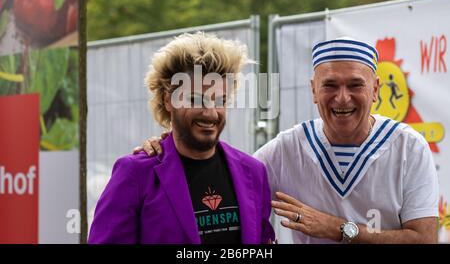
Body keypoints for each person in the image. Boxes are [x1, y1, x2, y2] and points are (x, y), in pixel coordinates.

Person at [138, 37, 439, 244]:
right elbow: (221, 177)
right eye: (330, 85)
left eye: (355, 85)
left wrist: (338, 229)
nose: (342, 97)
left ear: (375, 90)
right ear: (313, 90)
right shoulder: (287, 148)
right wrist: (170, 145)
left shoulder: (407, 147)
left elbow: (424, 238)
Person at [88, 32, 275, 244]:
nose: (210, 112)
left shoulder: (253, 172)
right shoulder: (136, 175)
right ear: (168, 100)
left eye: (220, 100)